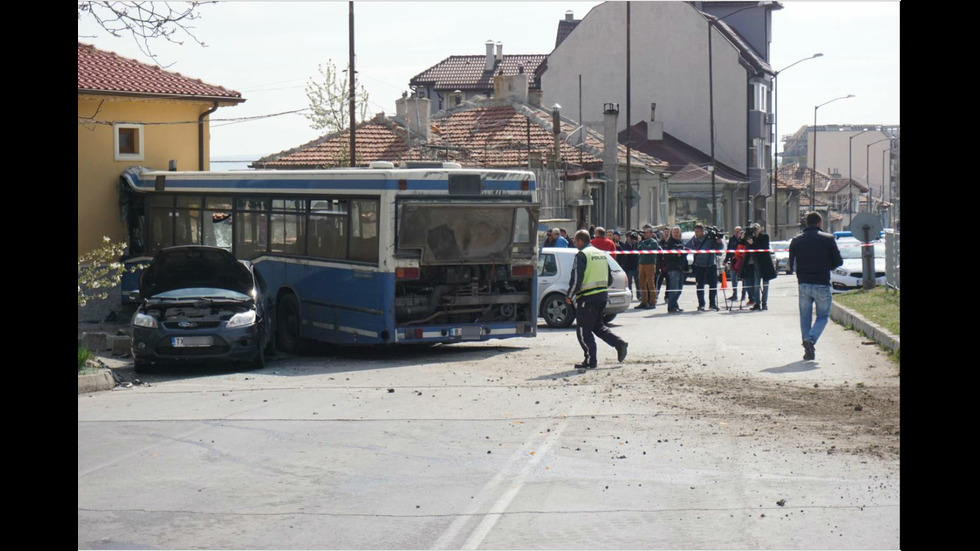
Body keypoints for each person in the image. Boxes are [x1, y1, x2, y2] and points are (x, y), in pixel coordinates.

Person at [567, 229, 629, 369]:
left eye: (576, 241)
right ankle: (619, 343)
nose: (575, 244)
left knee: (583, 330)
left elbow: (576, 278)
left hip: (587, 298)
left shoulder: (582, 255)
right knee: (598, 326)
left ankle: (590, 360)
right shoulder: (600, 254)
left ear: (580, 241)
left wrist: (570, 295)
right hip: (602, 296)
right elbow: (610, 276)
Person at [788, 212, 843, 361]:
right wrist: (826, 266)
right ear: (819, 223)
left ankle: (807, 348)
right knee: (823, 316)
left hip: (804, 283)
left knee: (805, 316)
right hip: (822, 282)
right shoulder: (828, 239)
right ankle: (810, 340)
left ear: (806, 223)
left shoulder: (796, 240)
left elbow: (791, 264)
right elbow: (838, 261)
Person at [685, 223, 723, 311]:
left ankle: (712, 304)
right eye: (695, 231)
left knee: (713, 285)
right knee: (700, 286)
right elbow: (687, 246)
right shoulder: (695, 239)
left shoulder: (710, 238)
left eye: (698, 232)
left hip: (711, 265)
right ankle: (701, 304)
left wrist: (719, 242)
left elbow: (719, 249)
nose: (696, 233)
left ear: (703, 231)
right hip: (699, 265)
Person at [740, 222, 776, 310]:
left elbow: (763, 248)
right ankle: (757, 304)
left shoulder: (764, 237)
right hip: (756, 264)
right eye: (754, 228)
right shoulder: (751, 237)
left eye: (757, 228)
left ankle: (764, 303)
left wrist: (752, 243)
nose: (755, 230)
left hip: (765, 263)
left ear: (760, 229)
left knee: (765, 285)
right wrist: (743, 236)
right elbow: (742, 243)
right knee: (756, 284)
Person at [634, 225, 661, 309]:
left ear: (651, 234)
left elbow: (647, 250)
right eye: (644, 233)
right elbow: (638, 249)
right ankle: (644, 301)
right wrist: (638, 242)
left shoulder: (653, 242)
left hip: (650, 264)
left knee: (650, 283)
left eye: (646, 233)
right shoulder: (643, 242)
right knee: (641, 283)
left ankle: (652, 302)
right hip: (642, 264)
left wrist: (641, 242)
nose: (645, 234)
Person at [663, 226, 687, 313]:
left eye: (677, 232)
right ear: (671, 233)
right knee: (674, 288)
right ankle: (671, 307)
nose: (676, 234)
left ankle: (675, 305)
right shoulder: (669, 243)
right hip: (673, 268)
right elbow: (667, 255)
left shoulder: (680, 242)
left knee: (679, 289)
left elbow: (683, 253)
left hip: (680, 268)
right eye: (674, 232)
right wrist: (676, 254)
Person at [724, 226, 745, 303]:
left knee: (743, 279)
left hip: (741, 261)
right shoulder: (732, 239)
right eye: (735, 231)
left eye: (738, 231)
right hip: (733, 261)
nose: (736, 233)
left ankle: (743, 295)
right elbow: (729, 250)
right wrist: (726, 260)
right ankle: (734, 295)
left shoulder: (743, 239)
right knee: (733, 279)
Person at [617, 231, 640, 300]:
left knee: (638, 282)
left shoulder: (635, 245)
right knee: (629, 283)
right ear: (627, 237)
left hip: (636, 266)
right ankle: (630, 296)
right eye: (630, 237)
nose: (631, 239)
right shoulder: (624, 246)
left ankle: (639, 295)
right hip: (628, 267)